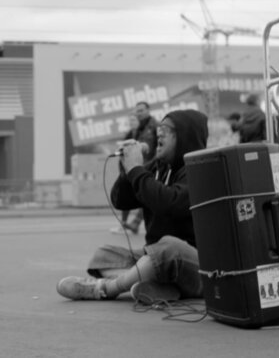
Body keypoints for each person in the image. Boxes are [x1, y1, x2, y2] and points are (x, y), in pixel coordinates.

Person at [57, 109, 209, 302]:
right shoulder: (157, 168)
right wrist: (127, 169)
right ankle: (158, 287)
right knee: (103, 255)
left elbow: (168, 203)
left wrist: (136, 169)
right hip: (154, 259)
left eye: (166, 129)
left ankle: (106, 288)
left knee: (168, 246)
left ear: (186, 135)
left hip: (195, 265)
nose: (158, 133)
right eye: (159, 128)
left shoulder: (200, 171)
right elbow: (121, 201)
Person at [109, 102, 159, 235]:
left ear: (148, 110)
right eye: (137, 111)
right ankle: (130, 224)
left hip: (148, 166)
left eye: (141, 110)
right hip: (137, 166)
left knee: (147, 196)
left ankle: (135, 224)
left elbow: (150, 145)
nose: (139, 113)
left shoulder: (154, 126)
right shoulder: (138, 128)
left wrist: (142, 147)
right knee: (137, 195)